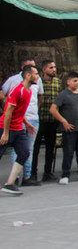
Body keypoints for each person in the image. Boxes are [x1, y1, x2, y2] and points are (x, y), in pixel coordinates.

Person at [3, 58, 44, 187]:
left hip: (19, 127)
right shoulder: (18, 90)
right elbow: (8, 112)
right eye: (36, 74)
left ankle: (10, 183)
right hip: (8, 128)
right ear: (27, 75)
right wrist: (5, 132)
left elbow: (20, 112)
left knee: (25, 152)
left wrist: (26, 123)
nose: (38, 77)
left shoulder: (29, 90)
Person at [51, 72, 78, 185]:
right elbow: (53, 109)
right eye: (74, 81)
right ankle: (65, 175)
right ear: (68, 82)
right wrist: (63, 121)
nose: (77, 83)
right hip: (69, 129)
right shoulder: (63, 95)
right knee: (68, 152)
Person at [32, 60, 61, 182]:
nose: (54, 69)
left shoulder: (58, 83)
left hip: (52, 120)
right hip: (40, 119)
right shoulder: (38, 82)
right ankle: (32, 173)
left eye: (54, 67)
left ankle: (48, 172)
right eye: (51, 68)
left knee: (50, 147)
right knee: (35, 148)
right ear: (44, 70)